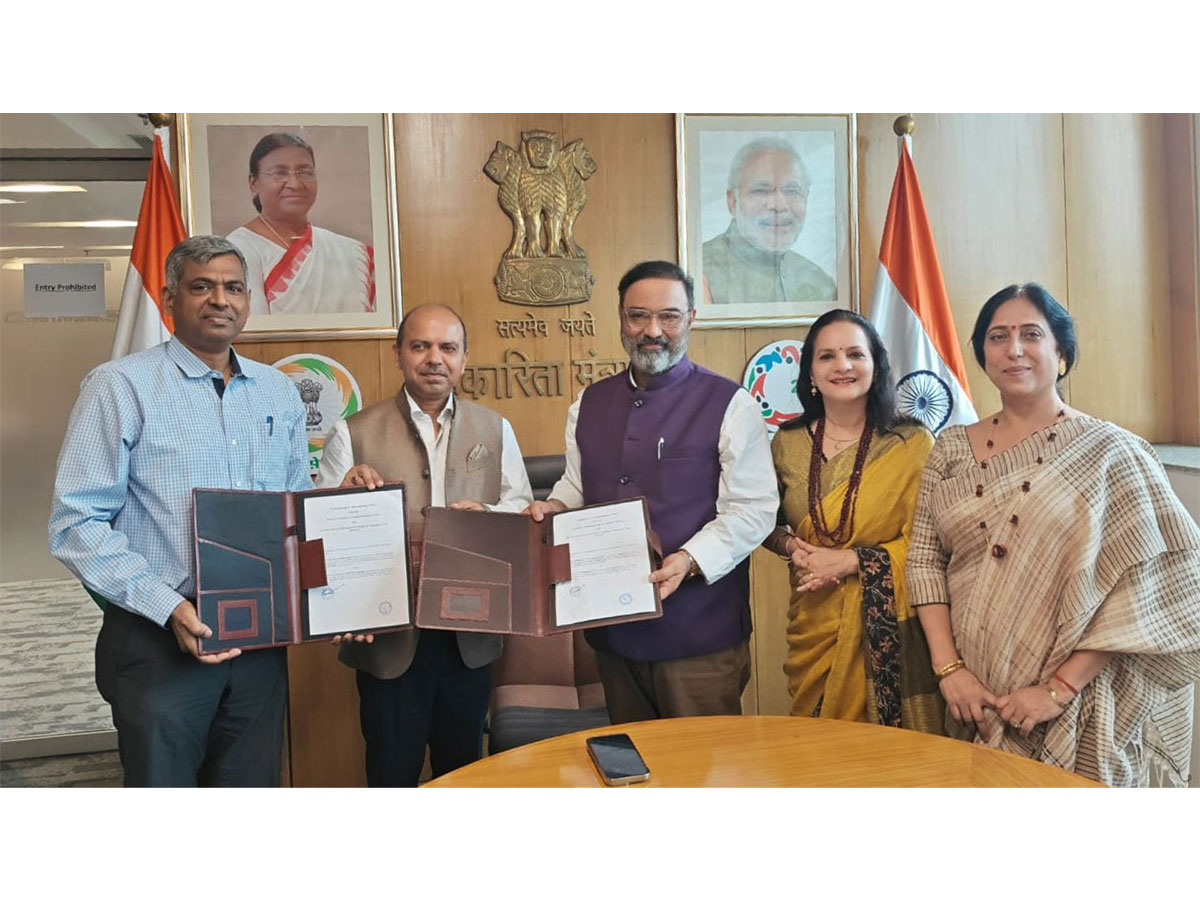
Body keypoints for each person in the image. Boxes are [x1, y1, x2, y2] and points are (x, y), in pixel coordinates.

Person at [907, 283, 1200, 787]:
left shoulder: (1114, 453)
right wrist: (950, 670)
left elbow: (1160, 588)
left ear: (1061, 354)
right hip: (971, 698)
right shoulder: (950, 449)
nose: (1013, 349)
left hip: (1078, 705)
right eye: (998, 337)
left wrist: (1059, 688)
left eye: (1030, 335)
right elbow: (924, 562)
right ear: (982, 355)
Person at [48, 235, 311, 787]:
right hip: (159, 637)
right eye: (203, 286)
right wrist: (167, 606)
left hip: (260, 638)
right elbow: (75, 523)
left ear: (248, 300)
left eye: (234, 287)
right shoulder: (119, 387)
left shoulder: (276, 393)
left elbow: (296, 508)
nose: (221, 299)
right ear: (169, 298)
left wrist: (332, 596)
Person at [524, 260, 777, 723]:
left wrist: (690, 560)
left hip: (698, 635)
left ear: (691, 319)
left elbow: (753, 510)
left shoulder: (730, 404)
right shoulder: (588, 403)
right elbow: (577, 486)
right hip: (614, 634)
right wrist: (554, 506)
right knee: (635, 775)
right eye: (638, 316)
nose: (653, 330)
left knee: (700, 779)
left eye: (669, 316)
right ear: (620, 318)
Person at [315, 304, 533, 787]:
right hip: (389, 637)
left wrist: (488, 516)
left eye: (447, 348)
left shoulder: (495, 428)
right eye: (421, 346)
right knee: (392, 771)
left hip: (469, 636)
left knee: (465, 772)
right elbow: (324, 532)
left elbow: (520, 507)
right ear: (398, 355)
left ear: (464, 358)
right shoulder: (352, 433)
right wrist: (345, 493)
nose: (435, 358)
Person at [762, 309, 943, 731]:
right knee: (819, 745)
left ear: (875, 365)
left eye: (854, 354)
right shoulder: (787, 444)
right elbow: (761, 525)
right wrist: (794, 548)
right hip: (814, 619)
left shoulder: (911, 442)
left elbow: (929, 544)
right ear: (809, 371)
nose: (842, 366)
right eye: (827, 356)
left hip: (895, 629)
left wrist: (850, 562)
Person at [226, 131, 375, 316]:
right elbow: (256, 331)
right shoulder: (239, 247)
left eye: (304, 172)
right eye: (279, 173)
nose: (295, 184)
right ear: (254, 183)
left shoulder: (350, 251)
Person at [701, 137, 836, 306]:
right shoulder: (699, 273)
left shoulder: (822, 285)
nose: (779, 205)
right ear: (733, 202)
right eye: (761, 191)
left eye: (792, 190)